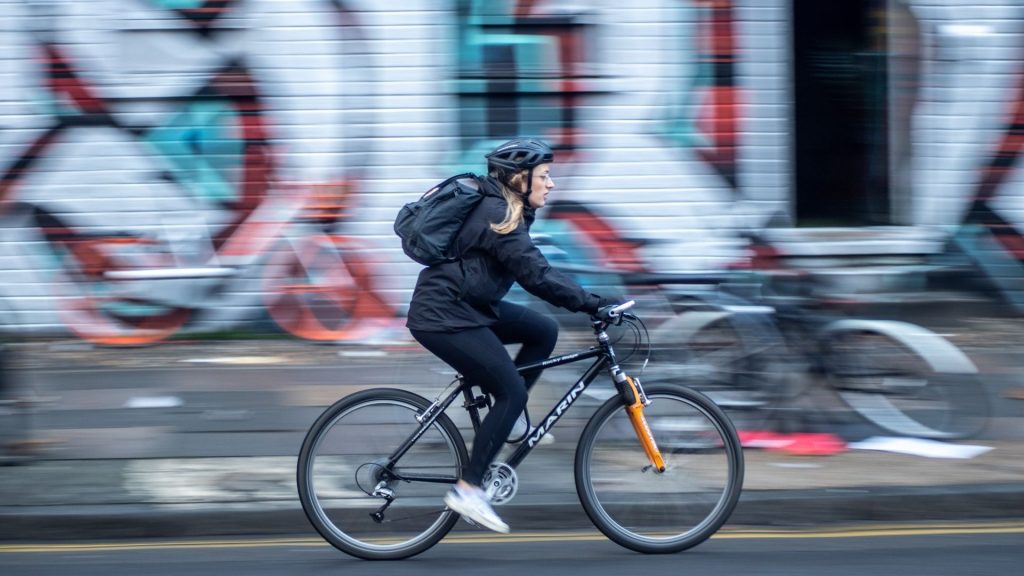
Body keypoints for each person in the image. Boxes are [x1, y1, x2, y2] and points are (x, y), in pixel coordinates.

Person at [406, 138, 620, 533]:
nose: (551, 184)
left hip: (465, 305)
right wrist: (593, 303)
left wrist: (589, 301)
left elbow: (534, 272)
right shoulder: (499, 214)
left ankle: (511, 419)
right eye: (544, 176)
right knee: (512, 390)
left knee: (542, 329)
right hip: (445, 316)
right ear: (520, 179)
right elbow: (537, 275)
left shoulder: (507, 210)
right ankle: (469, 490)